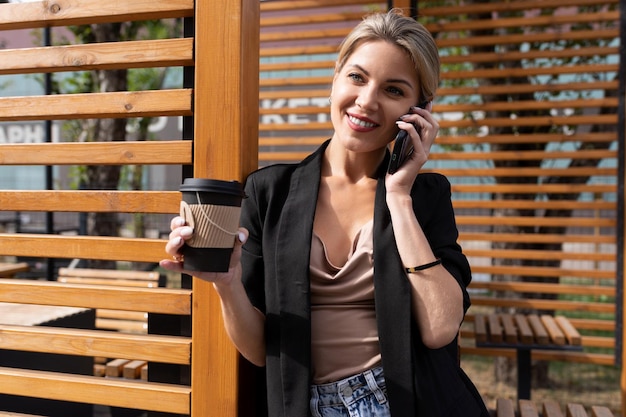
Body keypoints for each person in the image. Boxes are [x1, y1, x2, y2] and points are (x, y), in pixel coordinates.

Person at [161, 9, 490, 417]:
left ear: (418, 110)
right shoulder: (269, 192)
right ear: (336, 76)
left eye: (393, 90)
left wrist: (399, 197)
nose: (367, 101)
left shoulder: (426, 196)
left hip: (408, 400)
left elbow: (441, 328)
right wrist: (226, 284)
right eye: (357, 77)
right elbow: (262, 351)